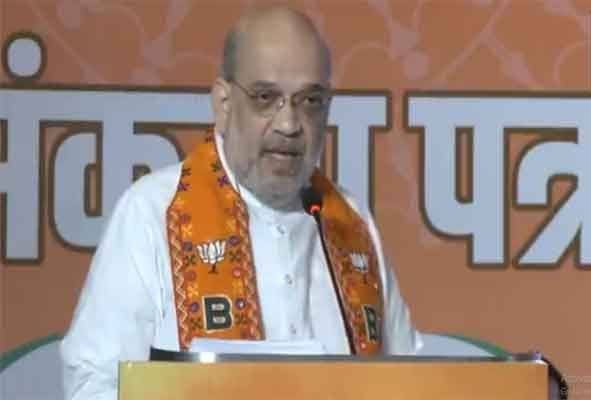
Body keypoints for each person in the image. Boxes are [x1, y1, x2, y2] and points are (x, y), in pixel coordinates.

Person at [61, 5, 421, 400]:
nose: (289, 125)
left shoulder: (349, 222)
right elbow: (92, 385)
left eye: (310, 101)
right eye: (266, 98)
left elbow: (410, 382)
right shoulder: (154, 213)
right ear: (224, 104)